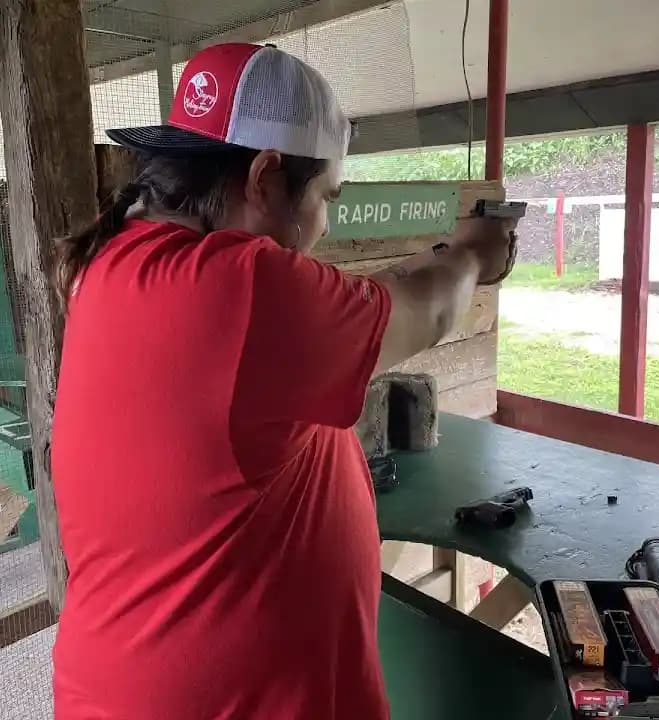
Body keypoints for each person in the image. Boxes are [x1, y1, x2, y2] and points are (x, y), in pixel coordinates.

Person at [50, 42, 516, 720]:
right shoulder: (236, 289)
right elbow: (433, 305)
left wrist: (432, 262)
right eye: (326, 195)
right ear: (265, 177)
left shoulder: (117, 262)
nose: (324, 224)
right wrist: (475, 254)